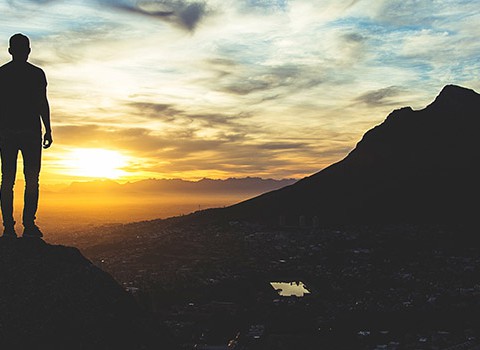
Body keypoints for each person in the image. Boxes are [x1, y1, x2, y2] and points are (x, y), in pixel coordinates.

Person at [0, 33, 52, 238]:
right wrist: (48, 129)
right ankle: (28, 225)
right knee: (31, 179)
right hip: (29, 133)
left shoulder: (2, 74)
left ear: (10, 50)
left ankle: (9, 228)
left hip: (7, 134)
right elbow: (42, 103)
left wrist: (47, 129)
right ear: (28, 50)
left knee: (7, 180)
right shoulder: (37, 74)